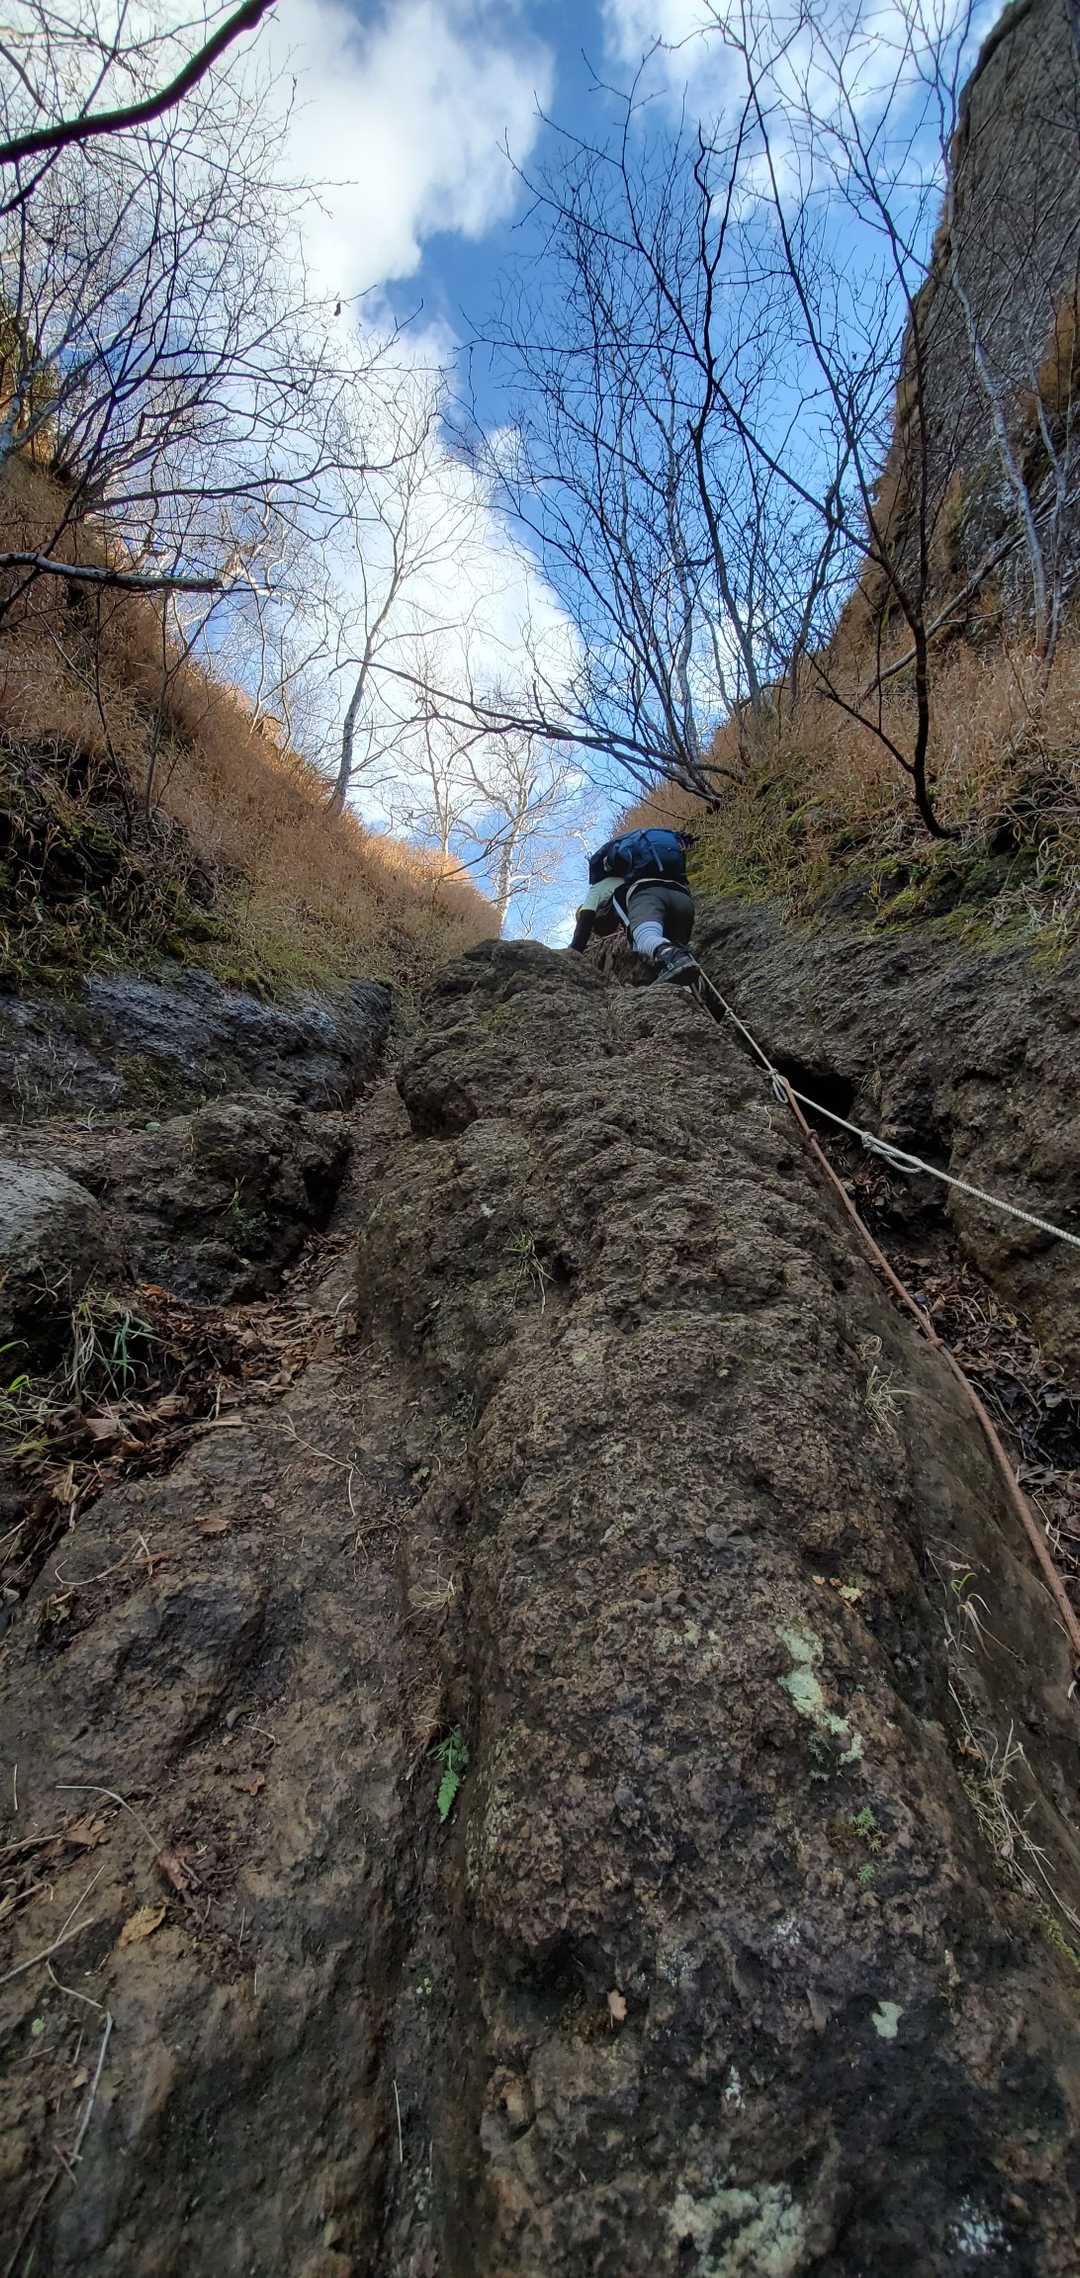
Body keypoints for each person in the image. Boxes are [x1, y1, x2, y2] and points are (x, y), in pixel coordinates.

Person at [570, 827, 697, 984]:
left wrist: (572, 955)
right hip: (682, 896)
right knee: (679, 948)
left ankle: (671, 956)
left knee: (646, 938)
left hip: (648, 897)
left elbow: (585, 921)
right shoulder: (638, 871)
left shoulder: (598, 887)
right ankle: (691, 983)